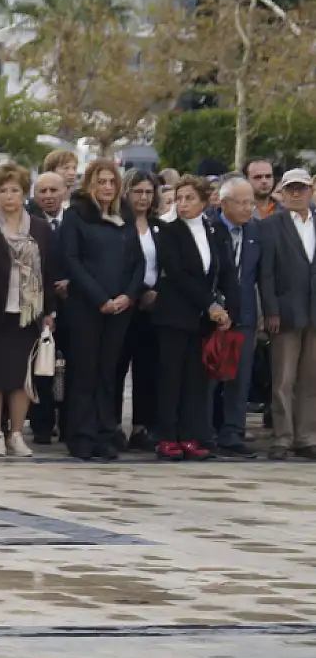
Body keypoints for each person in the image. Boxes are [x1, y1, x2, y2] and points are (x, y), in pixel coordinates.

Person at [0, 162, 56, 458]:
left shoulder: (41, 228)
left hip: (29, 312)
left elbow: (51, 272)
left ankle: (16, 434)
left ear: (23, 193)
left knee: (22, 377)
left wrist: (49, 313)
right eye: (3, 190)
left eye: (14, 190)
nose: (9, 196)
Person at [150, 176, 236, 461]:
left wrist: (228, 309)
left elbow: (224, 272)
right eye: (179, 198)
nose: (183, 204)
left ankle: (189, 435)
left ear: (203, 201)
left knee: (195, 380)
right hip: (174, 314)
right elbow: (177, 274)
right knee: (170, 377)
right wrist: (209, 304)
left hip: (202, 319)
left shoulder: (214, 230)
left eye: (189, 198)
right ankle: (166, 436)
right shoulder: (169, 230)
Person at [58, 160, 139, 461]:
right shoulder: (76, 215)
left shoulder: (125, 216)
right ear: (90, 184)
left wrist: (128, 296)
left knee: (108, 373)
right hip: (86, 308)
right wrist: (100, 298)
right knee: (84, 372)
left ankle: (105, 433)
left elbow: (138, 261)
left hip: (120, 308)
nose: (107, 187)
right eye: (101, 181)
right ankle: (81, 435)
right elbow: (72, 260)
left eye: (111, 182)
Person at [257, 168, 316, 459]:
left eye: (301, 188)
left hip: (314, 311)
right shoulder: (271, 225)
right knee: (283, 378)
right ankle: (283, 436)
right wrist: (271, 309)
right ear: (282, 192)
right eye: (290, 188)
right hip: (285, 311)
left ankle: (306, 436)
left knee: (310, 378)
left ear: (310, 191)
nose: (296, 193)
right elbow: (265, 273)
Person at [214, 177, 264, 458]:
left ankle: (233, 431)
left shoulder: (256, 232)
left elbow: (262, 276)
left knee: (239, 377)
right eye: (242, 203)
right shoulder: (210, 227)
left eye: (251, 202)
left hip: (244, 315)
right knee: (210, 375)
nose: (248, 208)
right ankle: (205, 428)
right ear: (224, 204)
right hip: (212, 313)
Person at [116, 169, 164, 451]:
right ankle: (112, 424)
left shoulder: (160, 226)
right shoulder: (119, 225)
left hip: (152, 305)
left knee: (147, 368)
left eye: (148, 192)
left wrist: (156, 291)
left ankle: (141, 426)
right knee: (118, 366)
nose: (144, 197)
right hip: (123, 302)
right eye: (138, 191)